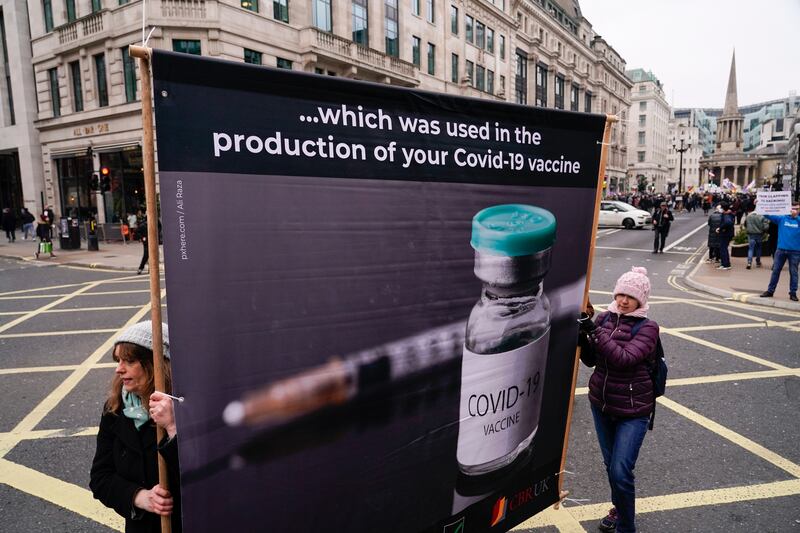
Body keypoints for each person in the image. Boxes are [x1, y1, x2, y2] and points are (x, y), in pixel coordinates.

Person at [578, 267, 659, 533]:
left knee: (621, 471)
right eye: (621, 294)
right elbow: (592, 360)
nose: (623, 300)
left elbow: (623, 359)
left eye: (630, 296)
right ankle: (619, 507)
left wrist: (594, 331)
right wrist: (582, 337)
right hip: (601, 404)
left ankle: (626, 527)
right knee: (611, 465)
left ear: (641, 300)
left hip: (633, 410)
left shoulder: (648, 328)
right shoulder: (604, 318)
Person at [90, 321, 182, 533]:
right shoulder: (114, 409)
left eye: (129, 361)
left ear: (155, 365)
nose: (119, 369)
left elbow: (204, 481)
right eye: (118, 360)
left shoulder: (182, 408)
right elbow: (100, 478)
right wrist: (139, 498)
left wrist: (172, 428)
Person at [760, 203, 800, 302]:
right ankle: (770, 291)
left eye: (797, 209)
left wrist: (797, 218)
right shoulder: (782, 218)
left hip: (795, 251)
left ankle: (793, 293)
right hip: (781, 250)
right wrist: (759, 204)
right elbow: (766, 214)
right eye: (793, 208)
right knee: (775, 271)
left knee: (794, 273)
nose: (794, 210)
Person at [715, 203, 735, 270]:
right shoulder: (728, 214)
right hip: (728, 233)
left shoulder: (726, 215)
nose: (720, 209)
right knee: (723, 249)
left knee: (723, 249)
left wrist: (720, 228)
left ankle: (726, 265)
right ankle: (724, 264)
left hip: (726, 234)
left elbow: (728, 223)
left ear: (723, 208)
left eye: (721, 208)